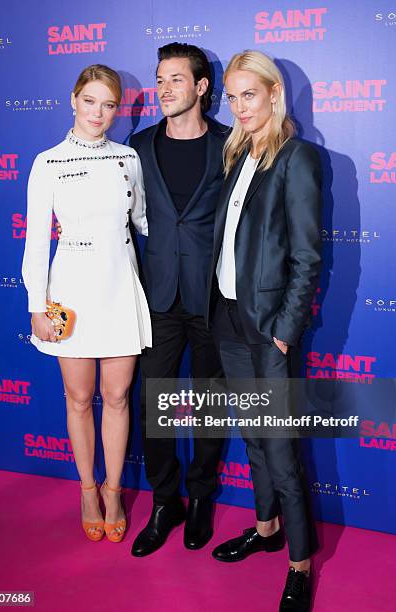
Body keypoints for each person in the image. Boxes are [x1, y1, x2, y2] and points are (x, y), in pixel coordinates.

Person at [205, 51, 321, 612]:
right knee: (252, 438)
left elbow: (306, 255)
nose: (239, 106)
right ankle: (266, 528)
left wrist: (285, 331)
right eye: (231, 96)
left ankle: (299, 564)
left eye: (248, 94)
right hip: (228, 318)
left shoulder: (297, 158)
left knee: (279, 446)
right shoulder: (237, 155)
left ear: (275, 94)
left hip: (268, 328)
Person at [22, 64, 151, 543]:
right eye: (91, 101)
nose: (99, 113)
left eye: (109, 104)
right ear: (73, 99)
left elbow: (141, 222)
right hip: (71, 290)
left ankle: (115, 491)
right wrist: (37, 304)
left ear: (118, 110)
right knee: (79, 399)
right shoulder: (47, 162)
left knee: (117, 397)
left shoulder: (128, 158)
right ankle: (87, 489)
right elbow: (37, 241)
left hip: (120, 284)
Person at [129, 43, 227, 557]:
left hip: (214, 299)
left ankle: (202, 499)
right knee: (155, 404)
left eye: (176, 79)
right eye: (160, 79)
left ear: (202, 87)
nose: (165, 89)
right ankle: (165, 503)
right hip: (159, 294)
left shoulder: (232, 145)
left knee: (210, 405)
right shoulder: (138, 145)